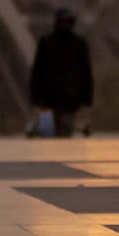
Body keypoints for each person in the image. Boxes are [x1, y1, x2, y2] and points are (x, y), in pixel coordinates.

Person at [27, 8, 93, 138]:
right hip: (49, 99)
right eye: (63, 22)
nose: (66, 25)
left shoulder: (78, 44)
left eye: (68, 22)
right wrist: (36, 97)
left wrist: (86, 99)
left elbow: (86, 73)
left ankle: (59, 155)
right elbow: (38, 71)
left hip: (69, 99)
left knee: (64, 133)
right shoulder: (47, 42)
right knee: (48, 134)